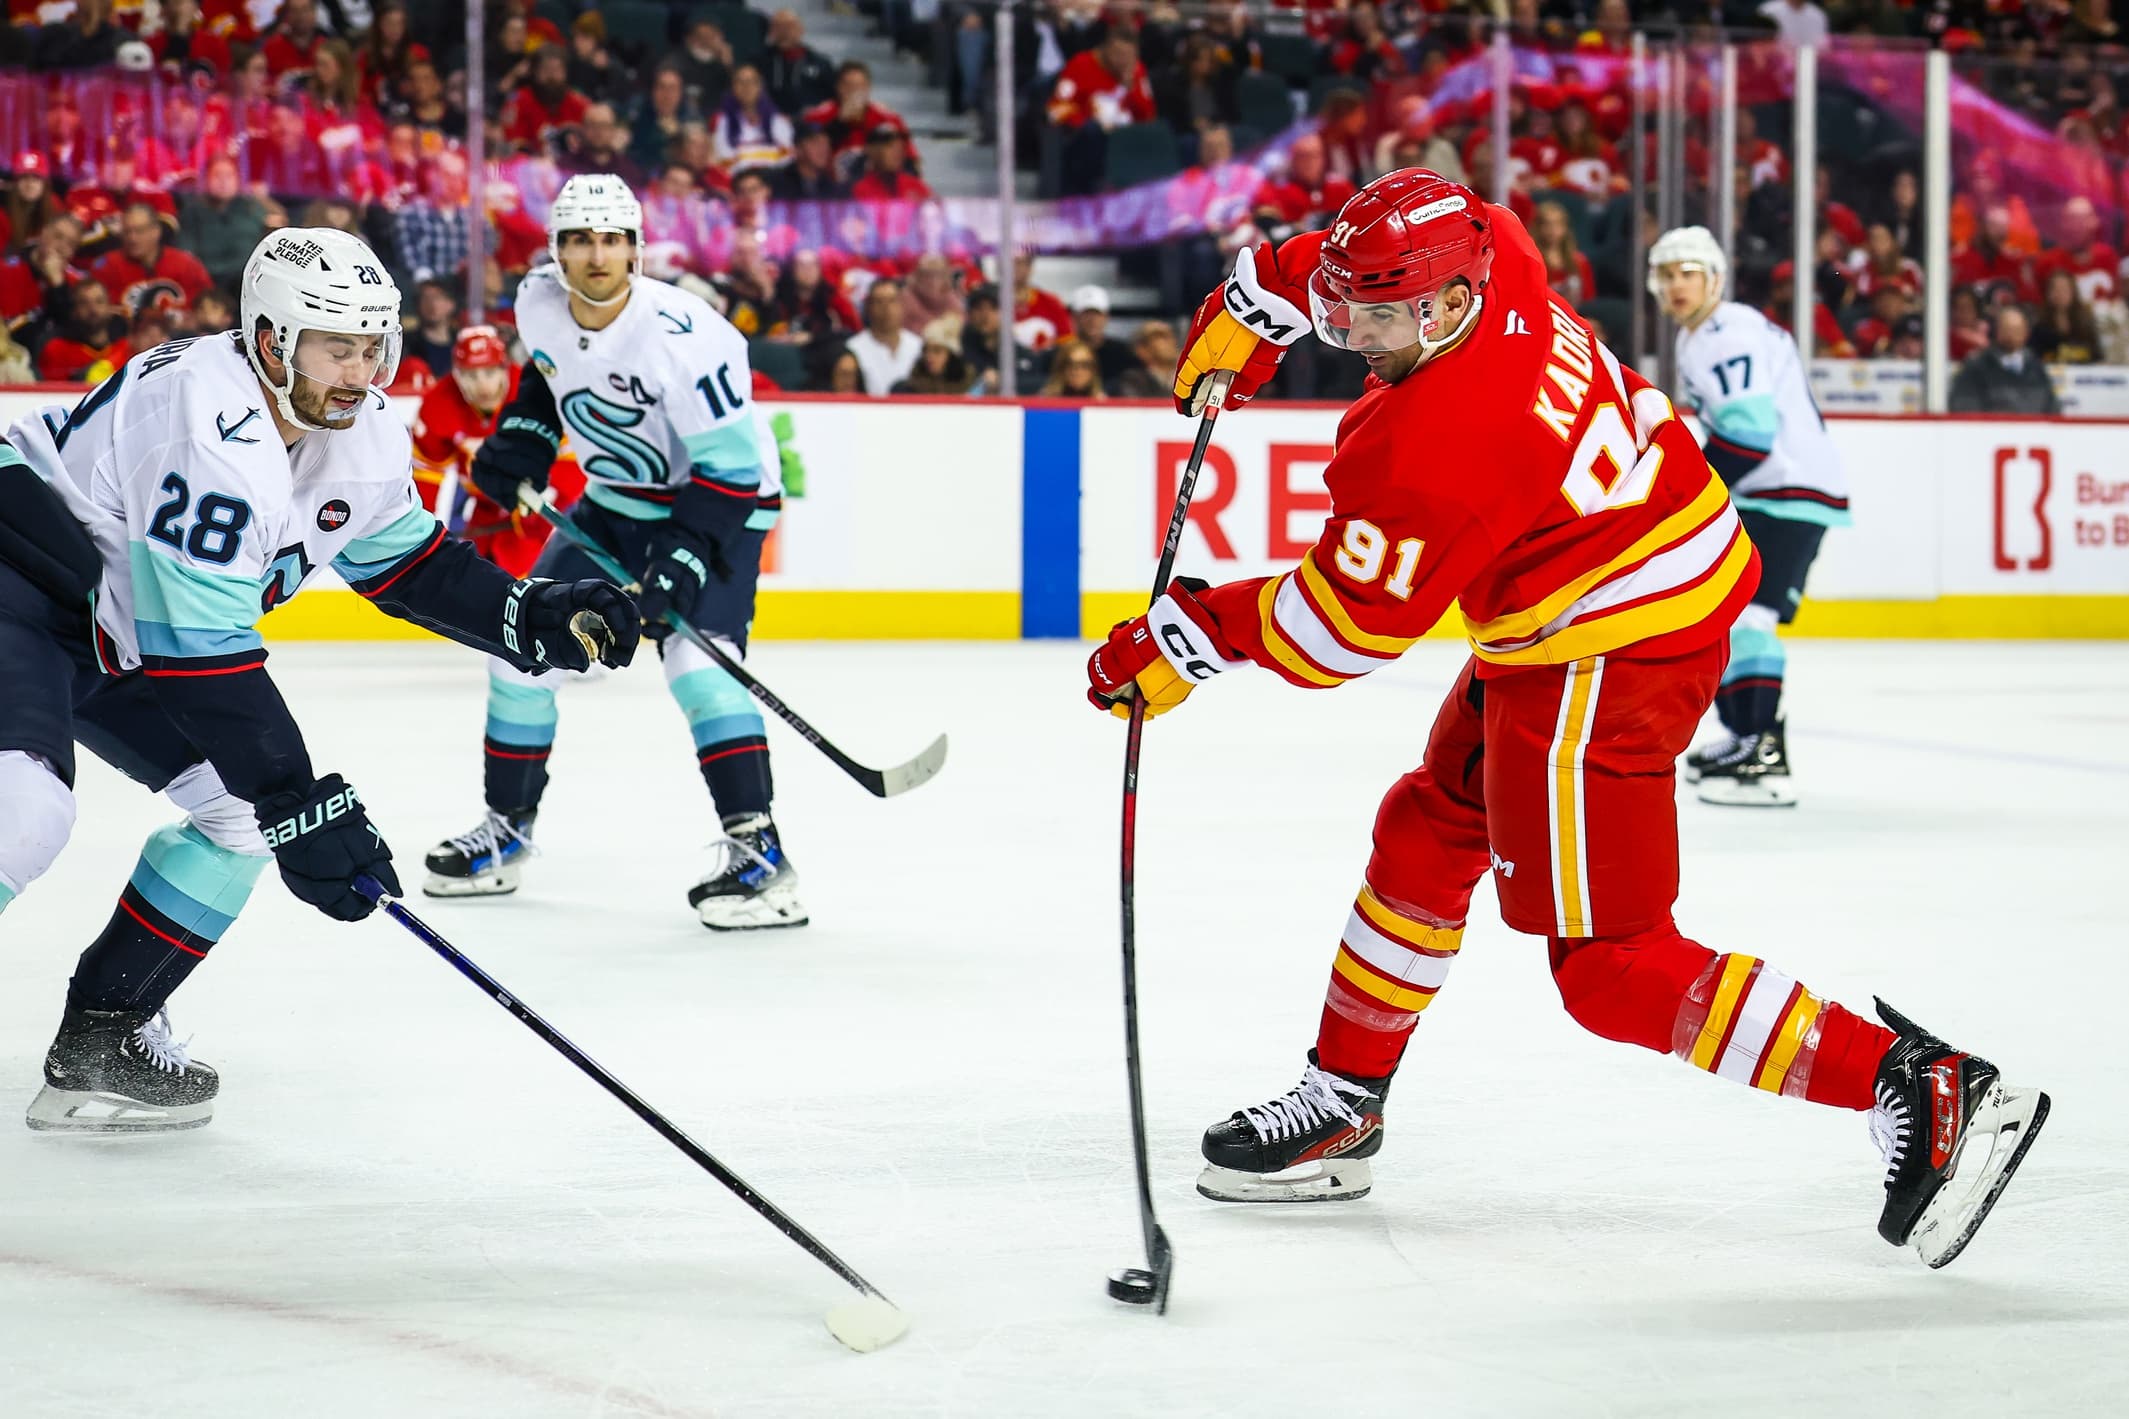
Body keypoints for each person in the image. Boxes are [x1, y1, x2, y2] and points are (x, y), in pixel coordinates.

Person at [1086, 170, 2047, 1267]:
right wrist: (1260, 294)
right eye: (1345, 310)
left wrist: (1188, 636)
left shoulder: (1430, 446)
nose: (1353, 337)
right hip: (1595, 590)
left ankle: (1912, 1084)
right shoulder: (1493, 248)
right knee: (1427, 832)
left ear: (1448, 308)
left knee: (1611, 966)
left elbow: (1341, 631)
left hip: (1611, 645)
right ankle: (1344, 1098)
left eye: (1376, 319)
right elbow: (1361, 261)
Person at [0, 227, 638, 1133]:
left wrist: (526, 614)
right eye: (336, 345)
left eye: (375, 344)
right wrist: (300, 799)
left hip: (122, 625)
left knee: (237, 814)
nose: (361, 368)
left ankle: (102, 1036)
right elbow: (200, 651)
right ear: (268, 340)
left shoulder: (361, 425)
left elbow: (408, 566)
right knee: (24, 811)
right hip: (20, 580)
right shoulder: (204, 413)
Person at [423, 177, 802, 931]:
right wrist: (523, 441)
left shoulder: (690, 339)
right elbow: (548, 373)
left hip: (719, 505)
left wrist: (684, 558)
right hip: (617, 503)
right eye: (579, 239)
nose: (596, 255)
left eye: (610, 239)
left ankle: (760, 855)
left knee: (699, 665)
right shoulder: (538, 303)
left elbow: (730, 473)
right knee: (518, 650)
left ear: (634, 247)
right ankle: (506, 831)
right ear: (557, 249)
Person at [1649, 226, 1851, 807]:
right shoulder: (1708, 334)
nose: (1677, 284)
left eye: (1689, 272)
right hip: (1782, 489)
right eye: (1667, 274)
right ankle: (1748, 739)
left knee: (1748, 616)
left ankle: (1760, 748)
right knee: (1734, 612)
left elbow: (1751, 434)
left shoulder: (1724, 331)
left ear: (1714, 278)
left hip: (1785, 489)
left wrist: (1691, 493)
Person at [412, 324, 588, 577]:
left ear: (504, 368)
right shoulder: (439, 403)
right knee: (471, 576)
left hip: (543, 504)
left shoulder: (534, 394)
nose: (482, 386)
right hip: (486, 504)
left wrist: (545, 504)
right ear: (457, 374)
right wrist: (420, 531)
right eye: (471, 376)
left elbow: (573, 461)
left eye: (489, 372)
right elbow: (427, 474)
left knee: (525, 573)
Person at [1949, 305, 2061, 414]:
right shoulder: (1976, 367)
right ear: (1997, 331)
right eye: (2007, 329)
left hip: (2034, 431)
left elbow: (2052, 408)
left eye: (2016, 330)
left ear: (2026, 333)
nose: (2011, 335)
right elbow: (1964, 407)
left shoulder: (2036, 368)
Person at [845, 278, 923, 396]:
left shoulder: (918, 346)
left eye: (892, 301)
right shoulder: (853, 348)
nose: (886, 308)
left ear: (902, 305)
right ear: (869, 307)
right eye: (879, 302)